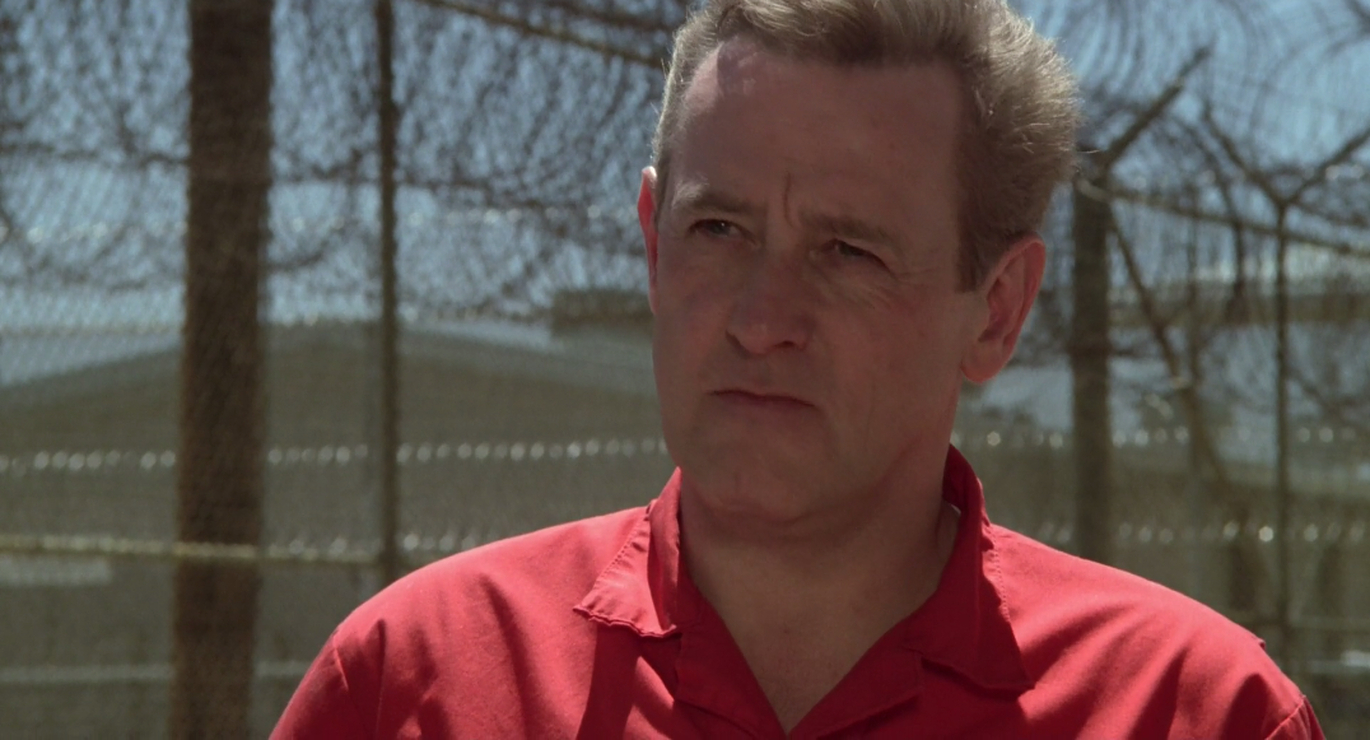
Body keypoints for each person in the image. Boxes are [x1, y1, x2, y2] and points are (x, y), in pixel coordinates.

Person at [273, 0, 1323, 737]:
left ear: (997, 311)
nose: (762, 319)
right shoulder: (416, 680)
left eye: (848, 252)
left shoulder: (1187, 710)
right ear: (651, 244)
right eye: (718, 229)